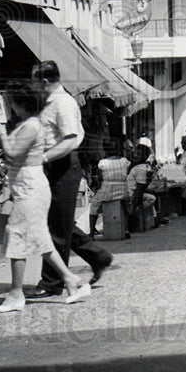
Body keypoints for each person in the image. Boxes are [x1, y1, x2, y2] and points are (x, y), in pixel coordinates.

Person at [0, 83, 91, 311]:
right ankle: (71, 280)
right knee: (41, 239)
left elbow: (13, 153)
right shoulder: (29, 124)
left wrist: (1, 134)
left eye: (12, 104)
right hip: (28, 185)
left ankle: (16, 294)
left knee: (17, 235)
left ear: (20, 104)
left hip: (30, 187)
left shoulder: (30, 126)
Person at [25, 61, 113, 298]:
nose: (32, 86)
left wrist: (43, 157)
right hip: (54, 166)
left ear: (44, 81)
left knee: (56, 228)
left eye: (34, 81)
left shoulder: (62, 103)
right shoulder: (49, 103)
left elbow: (70, 139)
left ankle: (51, 282)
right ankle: (97, 256)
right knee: (56, 222)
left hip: (62, 166)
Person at [89, 138, 131, 237]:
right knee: (126, 207)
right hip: (122, 189)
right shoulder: (124, 161)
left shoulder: (103, 163)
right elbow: (126, 173)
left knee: (94, 206)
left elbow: (99, 178)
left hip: (107, 189)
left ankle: (91, 233)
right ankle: (125, 229)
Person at [127, 143, 158, 230]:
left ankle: (136, 215)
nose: (135, 155)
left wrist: (134, 207)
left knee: (151, 198)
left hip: (131, 195)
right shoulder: (137, 166)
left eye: (139, 154)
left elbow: (139, 189)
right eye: (135, 153)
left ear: (145, 156)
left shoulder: (140, 168)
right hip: (132, 192)